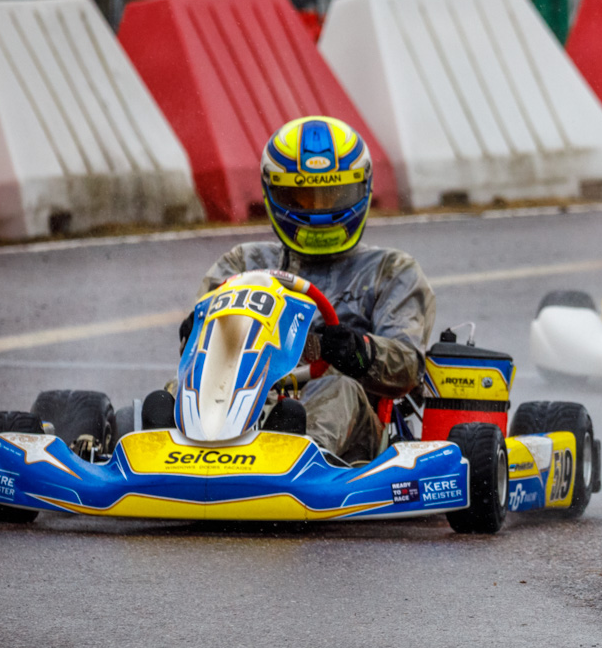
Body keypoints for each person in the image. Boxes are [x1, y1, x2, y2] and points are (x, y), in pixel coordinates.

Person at [185, 116, 435, 461]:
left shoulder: (391, 271)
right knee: (177, 390)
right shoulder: (243, 263)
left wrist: (360, 352)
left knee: (338, 389)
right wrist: (196, 331)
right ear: (273, 193)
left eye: (334, 194)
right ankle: (164, 452)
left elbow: (408, 367)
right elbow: (201, 357)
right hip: (249, 401)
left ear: (362, 189)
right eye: (301, 197)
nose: (319, 212)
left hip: (353, 428)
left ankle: (292, 458)